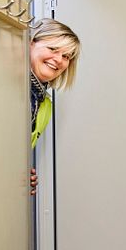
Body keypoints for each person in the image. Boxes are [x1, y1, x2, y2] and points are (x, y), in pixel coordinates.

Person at [29, 18, 81, 195]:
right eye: (52, 49)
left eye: (66, 56)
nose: (59, 60)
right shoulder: (11, 90)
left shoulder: (43, 103)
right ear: (30, 44)